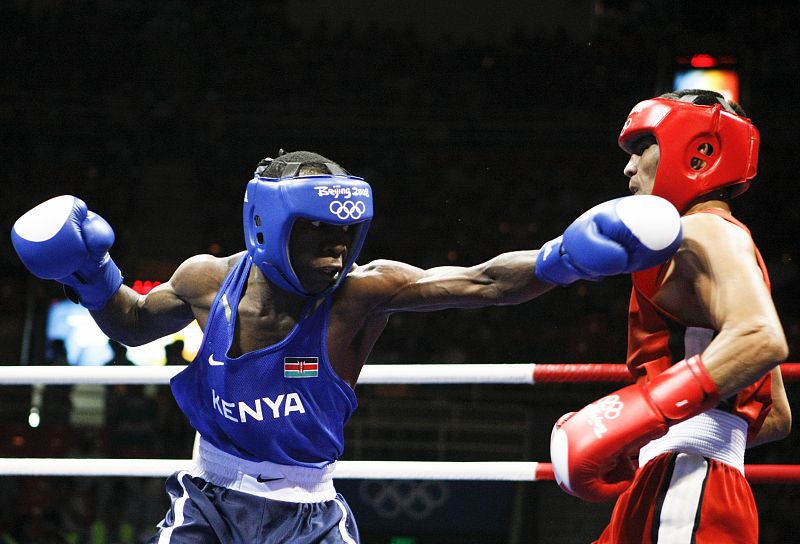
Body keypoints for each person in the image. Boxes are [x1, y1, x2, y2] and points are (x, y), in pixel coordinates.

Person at [11, 150, 683, 543]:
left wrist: (562, 259)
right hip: (208, 500)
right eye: (319, 235)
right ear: (270, 228)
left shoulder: (362, 294)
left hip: (309, 517)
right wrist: (89, 275)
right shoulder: (204, 280)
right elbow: (130, 324)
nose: (337, 252)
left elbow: (481, 283)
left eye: (346, 235)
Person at [549, 90, 792, 543]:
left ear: (698, 151)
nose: (628, 167)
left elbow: (762, 337)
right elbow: (775, 415)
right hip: (679, 477)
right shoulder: (722, 249)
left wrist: (637, 416)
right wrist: (640, 435)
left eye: (643, 148)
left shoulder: (705, 230)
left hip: (687, 488)